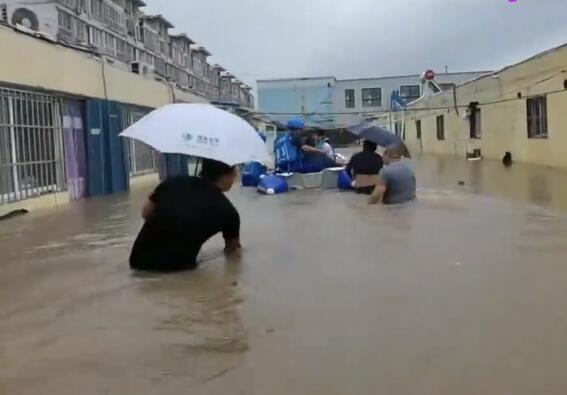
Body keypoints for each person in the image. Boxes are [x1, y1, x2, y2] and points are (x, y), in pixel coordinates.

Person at [129, 158, 241, 272]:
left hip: (138, 261)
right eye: (234, 172)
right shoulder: (229, 213)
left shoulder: (173, 182)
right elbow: (232, 251)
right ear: (226, 175)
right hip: (178, 270)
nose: (235, 177)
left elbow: (145, 213)